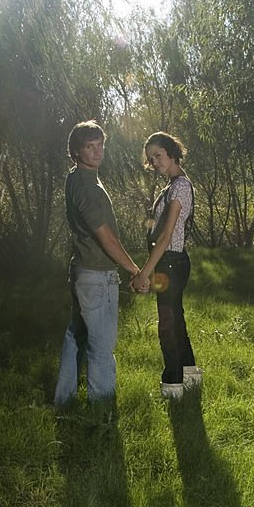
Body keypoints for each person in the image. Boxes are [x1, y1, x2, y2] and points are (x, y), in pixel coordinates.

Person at [54, 120, 142, 407]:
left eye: (100, 144)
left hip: (82, 269)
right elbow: (107, 239)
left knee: (75, 336)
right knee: (101, 348)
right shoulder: (87, 188)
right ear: (76, 152)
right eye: (89, 147)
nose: (97, 152)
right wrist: (134, 269)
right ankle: (102, 412)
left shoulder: (77, 177)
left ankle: (64, 401)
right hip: (96, 274)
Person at [131, 132, 203, 400]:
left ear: (172, 152)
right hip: (169, 261)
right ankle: (190, 373)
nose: (155, 162)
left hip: (171, 262)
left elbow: (166, 235)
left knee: (167, 324)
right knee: (176, 319)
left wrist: (144, 273)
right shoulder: (171, 186)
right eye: (151, 159)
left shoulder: (181, 186)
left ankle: (172, 386)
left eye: (158, 155)